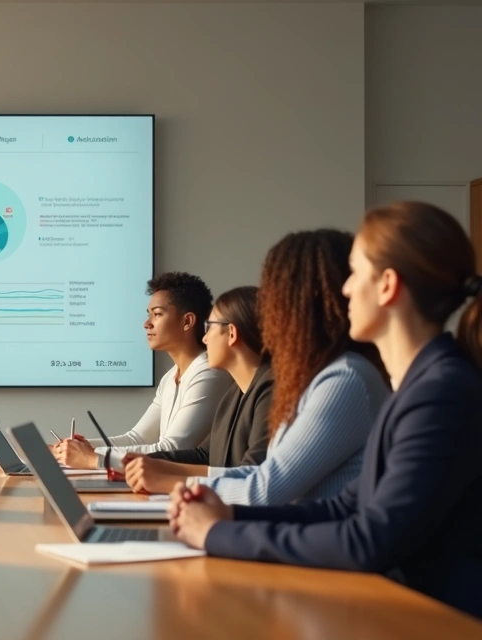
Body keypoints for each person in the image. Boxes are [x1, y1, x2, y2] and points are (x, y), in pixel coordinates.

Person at [169, 202, 482, 620]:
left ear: (388, 285)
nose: (346, 289)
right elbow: (343, 507)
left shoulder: (440, 392)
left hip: (435, 620)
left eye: (355, 273)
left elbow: (369, 541)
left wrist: (218, 533)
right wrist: (228, 513)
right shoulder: (418, 386)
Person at [172, 229, 390, 506]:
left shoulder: (344, 379)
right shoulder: (318, 378)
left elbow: (265, 490)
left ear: (294, 302)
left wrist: (178, 485)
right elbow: (263, 476)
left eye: (273, 296)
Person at [53, 272, 234, 471]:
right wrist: (82, 448)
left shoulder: (209, 373)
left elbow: (173, 449)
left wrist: (92, 457)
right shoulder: (171, 377)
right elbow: (136, 437)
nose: (146, 323)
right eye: (148, 314)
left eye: (157, 314)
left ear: (187, 321)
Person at [123, 286, 274, 493]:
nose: (204, 338)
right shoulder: (235, 393)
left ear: (231, 333)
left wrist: (166, 479)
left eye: (210, 327)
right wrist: (143, 462)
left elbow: (251, 475)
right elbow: (204, 455)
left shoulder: (271, 391)